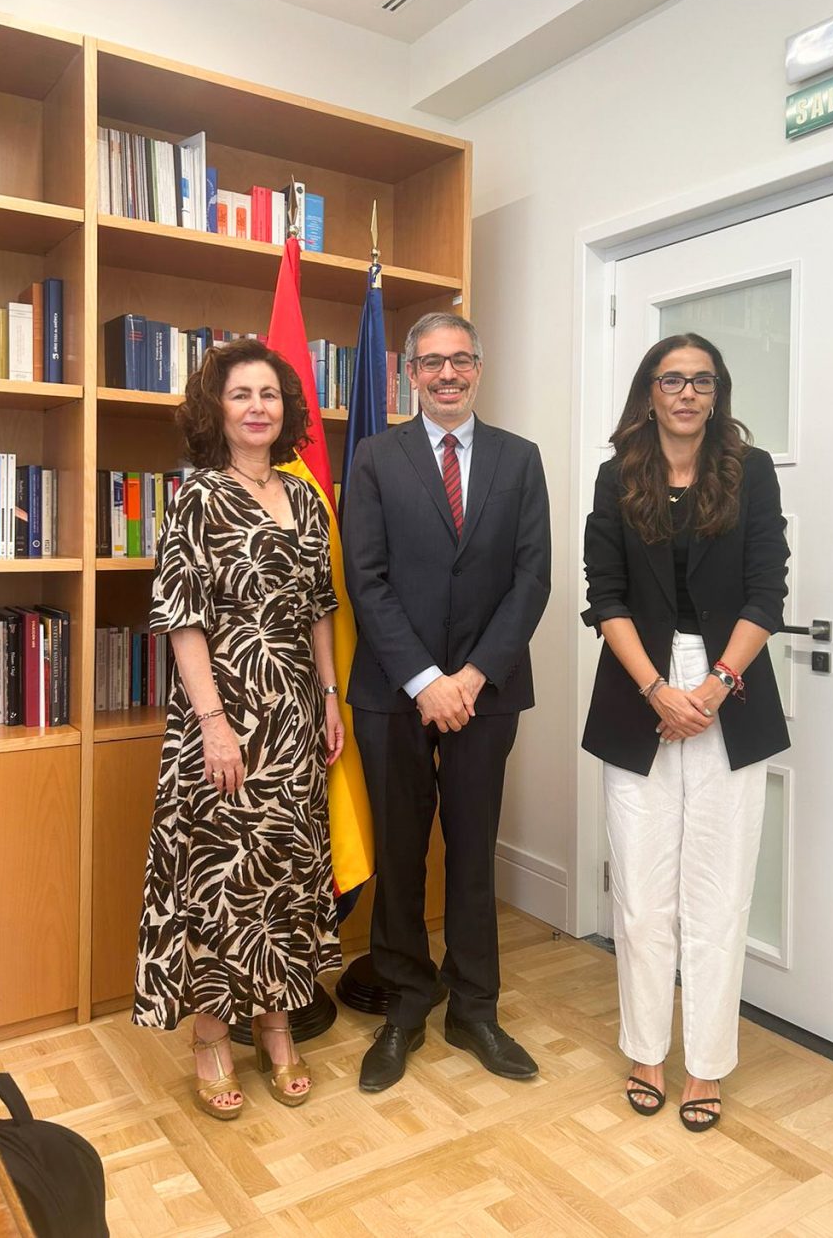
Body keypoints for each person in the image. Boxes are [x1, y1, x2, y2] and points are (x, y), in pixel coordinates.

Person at [581, 332, 789, 1133]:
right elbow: (606, 597)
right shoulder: (616, 476)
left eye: (703, 380)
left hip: (729, 689)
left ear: (717, 392)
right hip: (639, 686)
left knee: (718, 892)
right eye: (673, 378)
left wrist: (709, 689)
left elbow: (767, 591)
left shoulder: (751, 470)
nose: (688, 392)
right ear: (650, 391)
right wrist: (658, 690)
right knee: (639, 892)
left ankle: (706, 1063)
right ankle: (645, 1048)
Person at [132, 336, 344, 1118]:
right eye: (241, 394)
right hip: (222, 718)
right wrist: (215, 723)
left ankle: (278, 1026)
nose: (259, 407)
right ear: (215, 410)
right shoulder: (196, 496)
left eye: (270, 394)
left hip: (293, 715)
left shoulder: (303, 495)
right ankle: (212, 1037)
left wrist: (328, 696)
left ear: (286, 410)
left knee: (285, 871)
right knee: (222, 879)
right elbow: (183, 619)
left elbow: (321, 606)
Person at [342, 311, 551, 1092]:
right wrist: (427, 680)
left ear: (480, 366)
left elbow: (533, 579)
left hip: (486, 694)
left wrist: (469, 677)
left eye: (461, 359)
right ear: (409, 373)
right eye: (431, 362)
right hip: (395, 696)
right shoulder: (374, 457)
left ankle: (476, 1007)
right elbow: (366, 578)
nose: (448, 374)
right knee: (400, 853)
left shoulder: (519, 460)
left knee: (472, 851)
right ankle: (404, 1005)